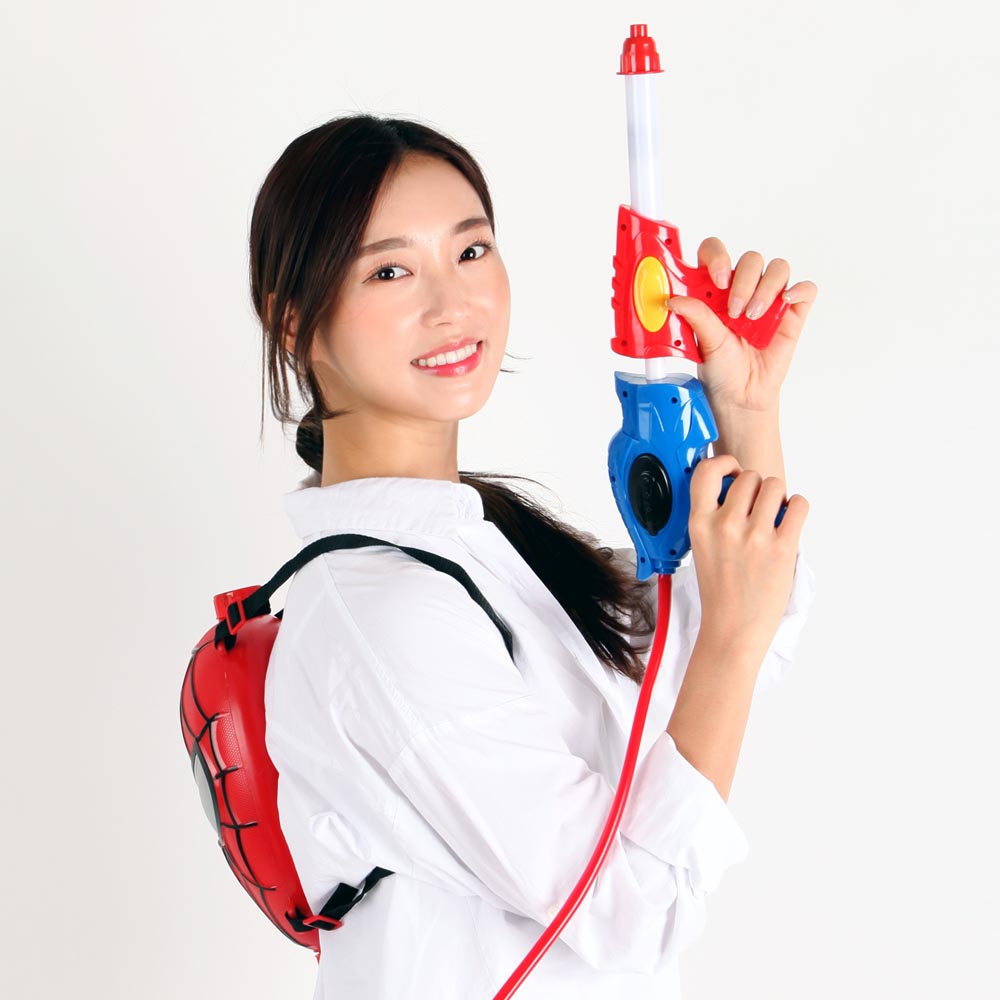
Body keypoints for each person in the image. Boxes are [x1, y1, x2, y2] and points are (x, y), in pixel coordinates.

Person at [250, 113, 817, 998]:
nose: (452, 304)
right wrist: (733, 640)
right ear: (294, 323)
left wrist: (744, 413)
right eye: (391, 270)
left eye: (470, 251)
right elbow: (630, 911)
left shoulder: (477, 549)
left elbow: (724, 645)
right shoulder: (387, 611)